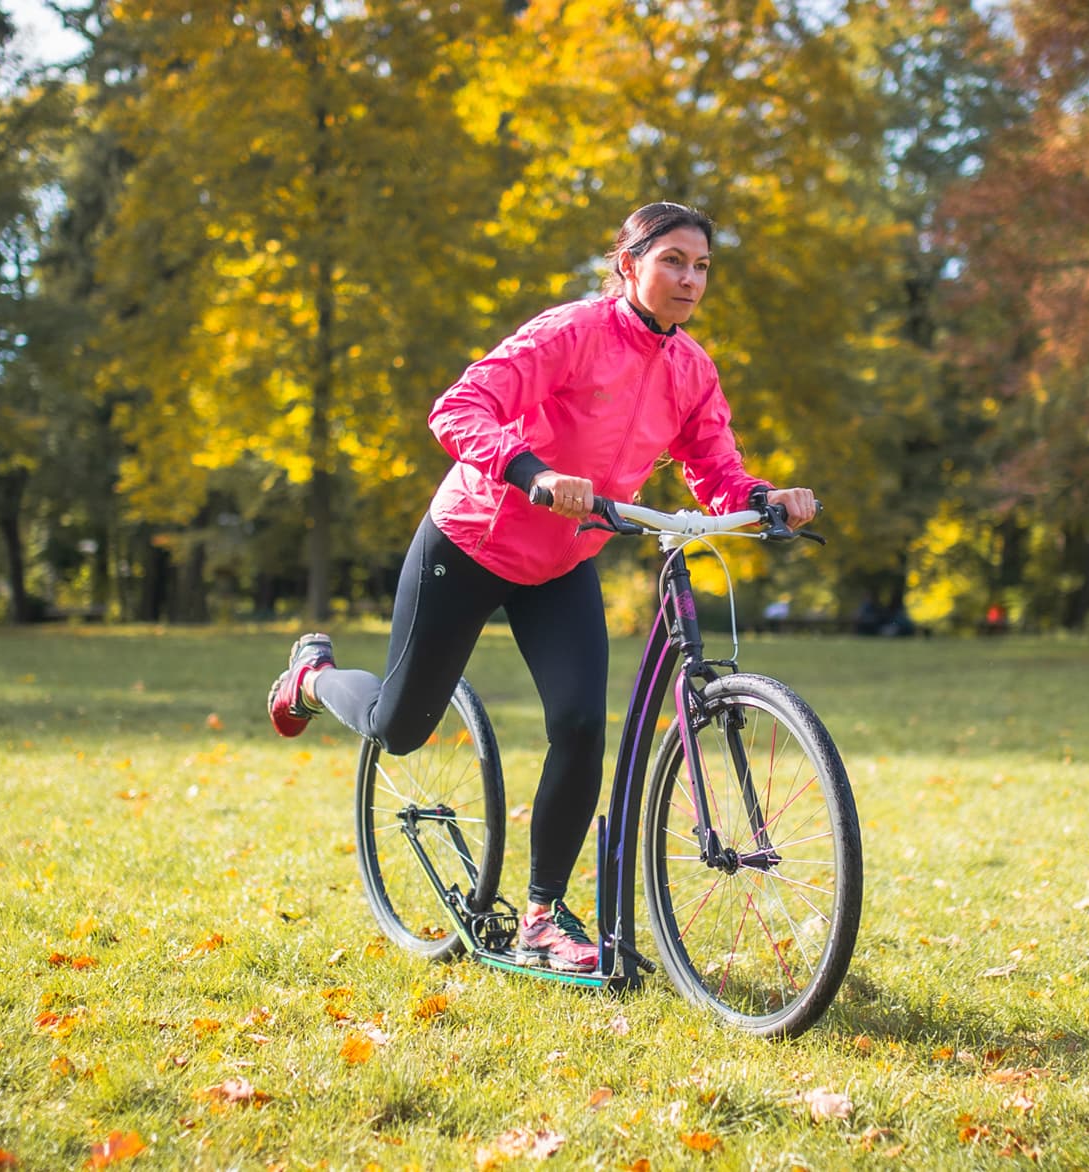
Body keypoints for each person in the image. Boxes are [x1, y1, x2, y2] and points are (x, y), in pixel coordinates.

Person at [266, 202, 816, 972]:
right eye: (672, 262)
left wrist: (763, 500)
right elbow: (458, 408)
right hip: (472, 541)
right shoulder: (571, 332)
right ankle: (314, 679)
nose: (690, 280)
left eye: (701, 267)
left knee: (582, 726)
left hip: (563, 563)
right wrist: (533, 472)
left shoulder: (691, 367)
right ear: (628, 264)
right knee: (398, 729)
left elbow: (715, 468)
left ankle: (541, 917)